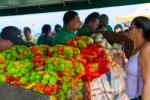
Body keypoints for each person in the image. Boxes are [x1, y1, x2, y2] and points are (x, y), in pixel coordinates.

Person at [125, 16, 150, 100]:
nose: (128, 30)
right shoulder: (137, 47)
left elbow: (148, 82)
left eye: (131, 27)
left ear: (139, 31)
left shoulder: (146, 48)